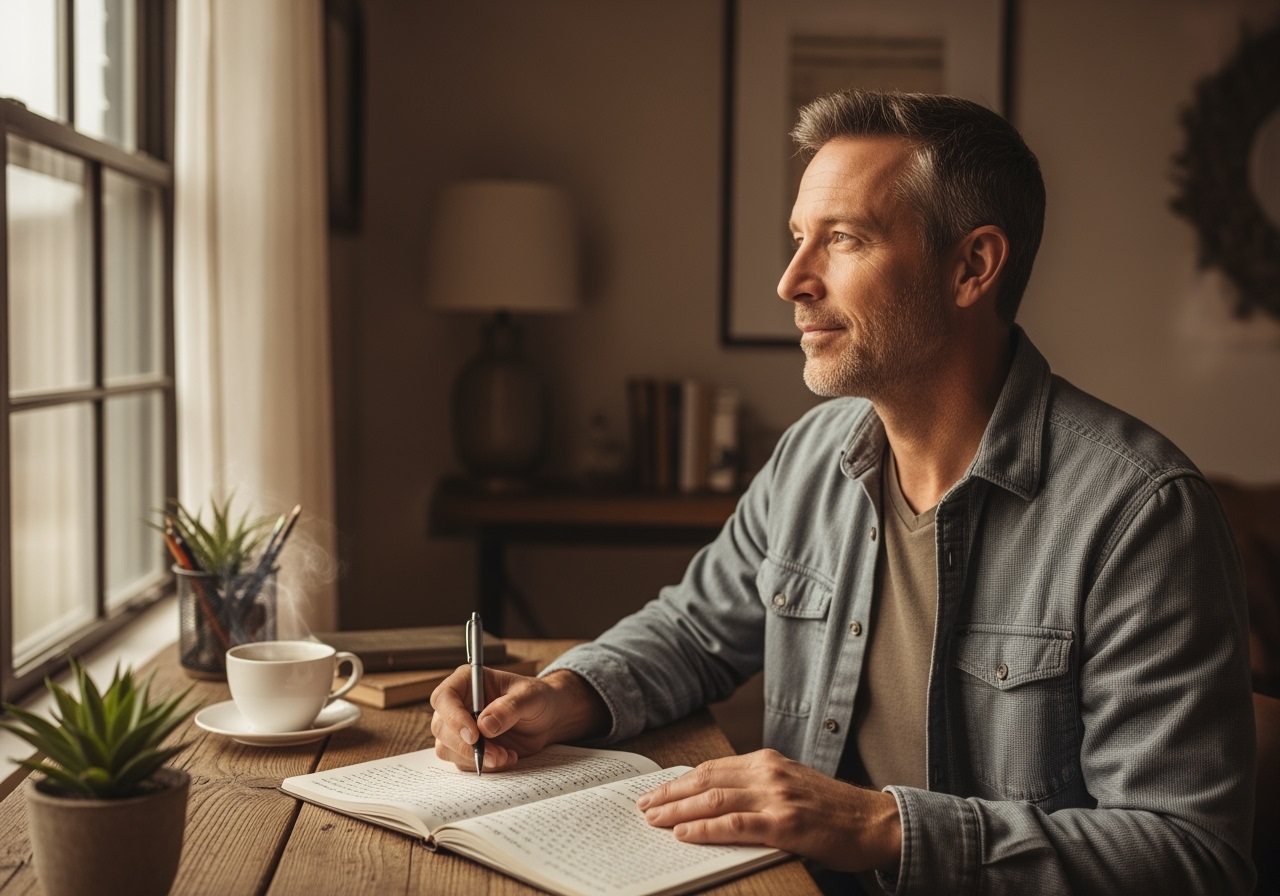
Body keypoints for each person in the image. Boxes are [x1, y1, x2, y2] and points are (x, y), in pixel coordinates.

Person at [430, 90, 1256, 894]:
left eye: (844, 240)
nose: (792, 280)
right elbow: (693, 630)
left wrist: (876, 828)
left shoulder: (1142, 516)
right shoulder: (811, 455)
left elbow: (1189, 856)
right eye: (797, 239)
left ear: (973, 267)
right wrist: (563, 695)